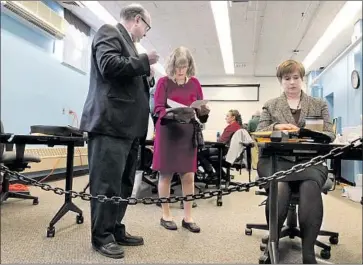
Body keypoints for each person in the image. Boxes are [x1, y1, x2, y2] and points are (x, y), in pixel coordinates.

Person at [79, 4, 159, 259]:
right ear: (138, 20)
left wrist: (147, 74)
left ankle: (114, 229)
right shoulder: (109, 32)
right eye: (147, 27)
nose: (146, 33)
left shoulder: (132, 46)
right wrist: (145, 61)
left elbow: (129, 77)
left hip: (129, 129)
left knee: (123, 184)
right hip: (109, 125)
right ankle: (101, 236)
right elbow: (109, 66)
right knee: (107, 183)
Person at [256, 59, 335, 264]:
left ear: (302, 79)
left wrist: (304, 132)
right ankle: (273, 245)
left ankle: (308, 253)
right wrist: (278, 126)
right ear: (281, 81)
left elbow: (329, 134)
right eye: (287, 78)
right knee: (279, 186)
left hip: (309, 162)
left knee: (310, 186)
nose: (292, 82)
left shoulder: (319, 104)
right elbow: (260, 132)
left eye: (296, 77)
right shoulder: (271, 105)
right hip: (276, 160)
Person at [152, 46, 209, 233]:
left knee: (189, 175)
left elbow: (200, 109)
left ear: (189, 66)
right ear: (172, 65)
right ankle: (166, 215)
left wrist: (203, 112)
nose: (180, 70)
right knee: (166, 174)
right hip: (168, 132)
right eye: (177, 66)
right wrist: (170, 113)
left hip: (187, 133)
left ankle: (188, 217)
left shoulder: (195, 83)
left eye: (184, 66)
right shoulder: (163, 82)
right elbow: (158, 108)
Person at [198, 110, 242, 181]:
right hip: (229, 151)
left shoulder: (232, 127)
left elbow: (221, 142)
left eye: (227, 116)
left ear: (233, 117)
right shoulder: (237, 126)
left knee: (200, 154)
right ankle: (221, 174)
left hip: (224, 150)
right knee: (211, 157)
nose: (226, 118)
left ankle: (210, 172)